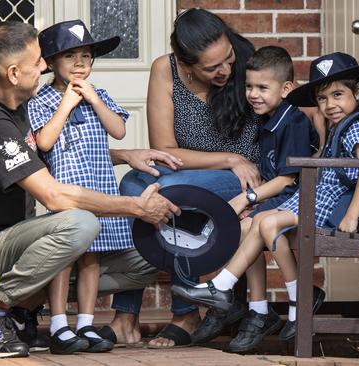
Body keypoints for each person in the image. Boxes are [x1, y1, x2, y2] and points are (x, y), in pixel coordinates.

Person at [0, 21, 180, 359]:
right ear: (14, 73)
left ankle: (25, 311)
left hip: (19, 239)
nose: (45, 66)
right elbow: (53, 196)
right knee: (80, 224)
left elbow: (63, 150)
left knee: (149, 255)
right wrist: (134, 206)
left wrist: (124, 156)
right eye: (38, 63)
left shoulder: (15, 107)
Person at [173, 51, 359, 342]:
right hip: (317, 197)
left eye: (338, 95)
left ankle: (250, 291)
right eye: (323, 98)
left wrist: (352, 215)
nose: (329, 105)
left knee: (265, 223)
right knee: (259, 222)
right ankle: (254, 297)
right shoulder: (339, 125)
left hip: (328, 204)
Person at [108, 8, 265, 349]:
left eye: (227, 58)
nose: (226, 70)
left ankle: (184, 312)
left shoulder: (249, 62)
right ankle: (126, 315)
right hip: (202, 168)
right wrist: (229, 157)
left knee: (162, 192)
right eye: (212, 67)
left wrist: (238, 161)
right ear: (185, 62)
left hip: (244, 178)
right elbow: (165, 149)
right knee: (133, 186)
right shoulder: (166, 69)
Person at [202, 45, 318, 353]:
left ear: (286, 88)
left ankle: (253, 305)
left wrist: (246, 197)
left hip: (296, 201)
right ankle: (258, 309)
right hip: (280, 199)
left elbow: (288, 178)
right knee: (240, 228)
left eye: (262, 88)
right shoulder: (269, 119)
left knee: (245, 225)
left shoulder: (292, 122)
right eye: (250, 86)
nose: (253, 94)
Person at [27, 19, 129, 353]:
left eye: (86, 56)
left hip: (100, 190)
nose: (80, 63)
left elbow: (119, 131)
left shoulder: (100, 96)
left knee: (92, 258)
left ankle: (85, 322)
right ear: (52, 63)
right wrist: (66, 104)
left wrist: (95, 101)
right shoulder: (42, 100)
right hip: (66, 191)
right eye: (70, 56)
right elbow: (44, 141)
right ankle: (59, 325)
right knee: (65, 257)